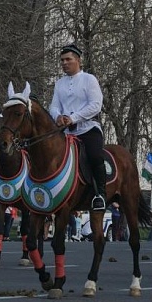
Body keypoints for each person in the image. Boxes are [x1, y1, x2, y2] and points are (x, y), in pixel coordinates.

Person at [49, 44, 108, 211]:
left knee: (95, 156)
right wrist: (58, 116)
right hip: (65, 133)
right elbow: (53, 106)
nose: (64, 63)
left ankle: (100, 195)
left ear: (78, 61)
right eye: (62, 60)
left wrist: (72, 118)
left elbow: (95, 105)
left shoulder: (89, 79)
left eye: (68, 59)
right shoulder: (59, 83)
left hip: (87, 129)